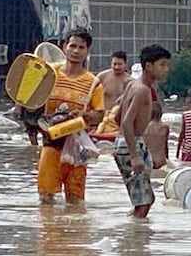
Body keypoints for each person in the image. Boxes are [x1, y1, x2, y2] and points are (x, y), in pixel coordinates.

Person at [37, 28, 105, 206]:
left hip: (77, 146)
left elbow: (99, 115)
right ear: (64, 47)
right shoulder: (49, 74)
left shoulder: (93, 82)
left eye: (81, 47)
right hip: (51, 143)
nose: (76, 51)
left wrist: (84, 115)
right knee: (46, 198)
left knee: (75, 199)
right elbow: (30, 99)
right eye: (72, 45)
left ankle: (75, 233)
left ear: (87, 51)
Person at [114, 44, 171, 218]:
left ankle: (134, 233)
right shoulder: (142, 90)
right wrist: (134, 155)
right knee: (144, 202)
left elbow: (117, 117)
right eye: (162, 65)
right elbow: (125, 122)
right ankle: (133, 241)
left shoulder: (133, 85)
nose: (166, 70)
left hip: (130, 143)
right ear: (148, 66)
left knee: (145, 200)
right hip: (131, 145)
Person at [91, 51, 133, 139]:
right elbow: (90, 95)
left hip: (118, 123)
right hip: (100, 120)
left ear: (125, 64)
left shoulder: (130, 82)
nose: (116, 67)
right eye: (114, 64)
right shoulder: (102, 76)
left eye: (120, 64)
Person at [143, 102, 170, 169]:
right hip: (160, 161)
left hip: (147, 160)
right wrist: (167, 160)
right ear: (161, 114)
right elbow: (166, 147)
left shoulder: (144, 127)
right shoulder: (165, 127)